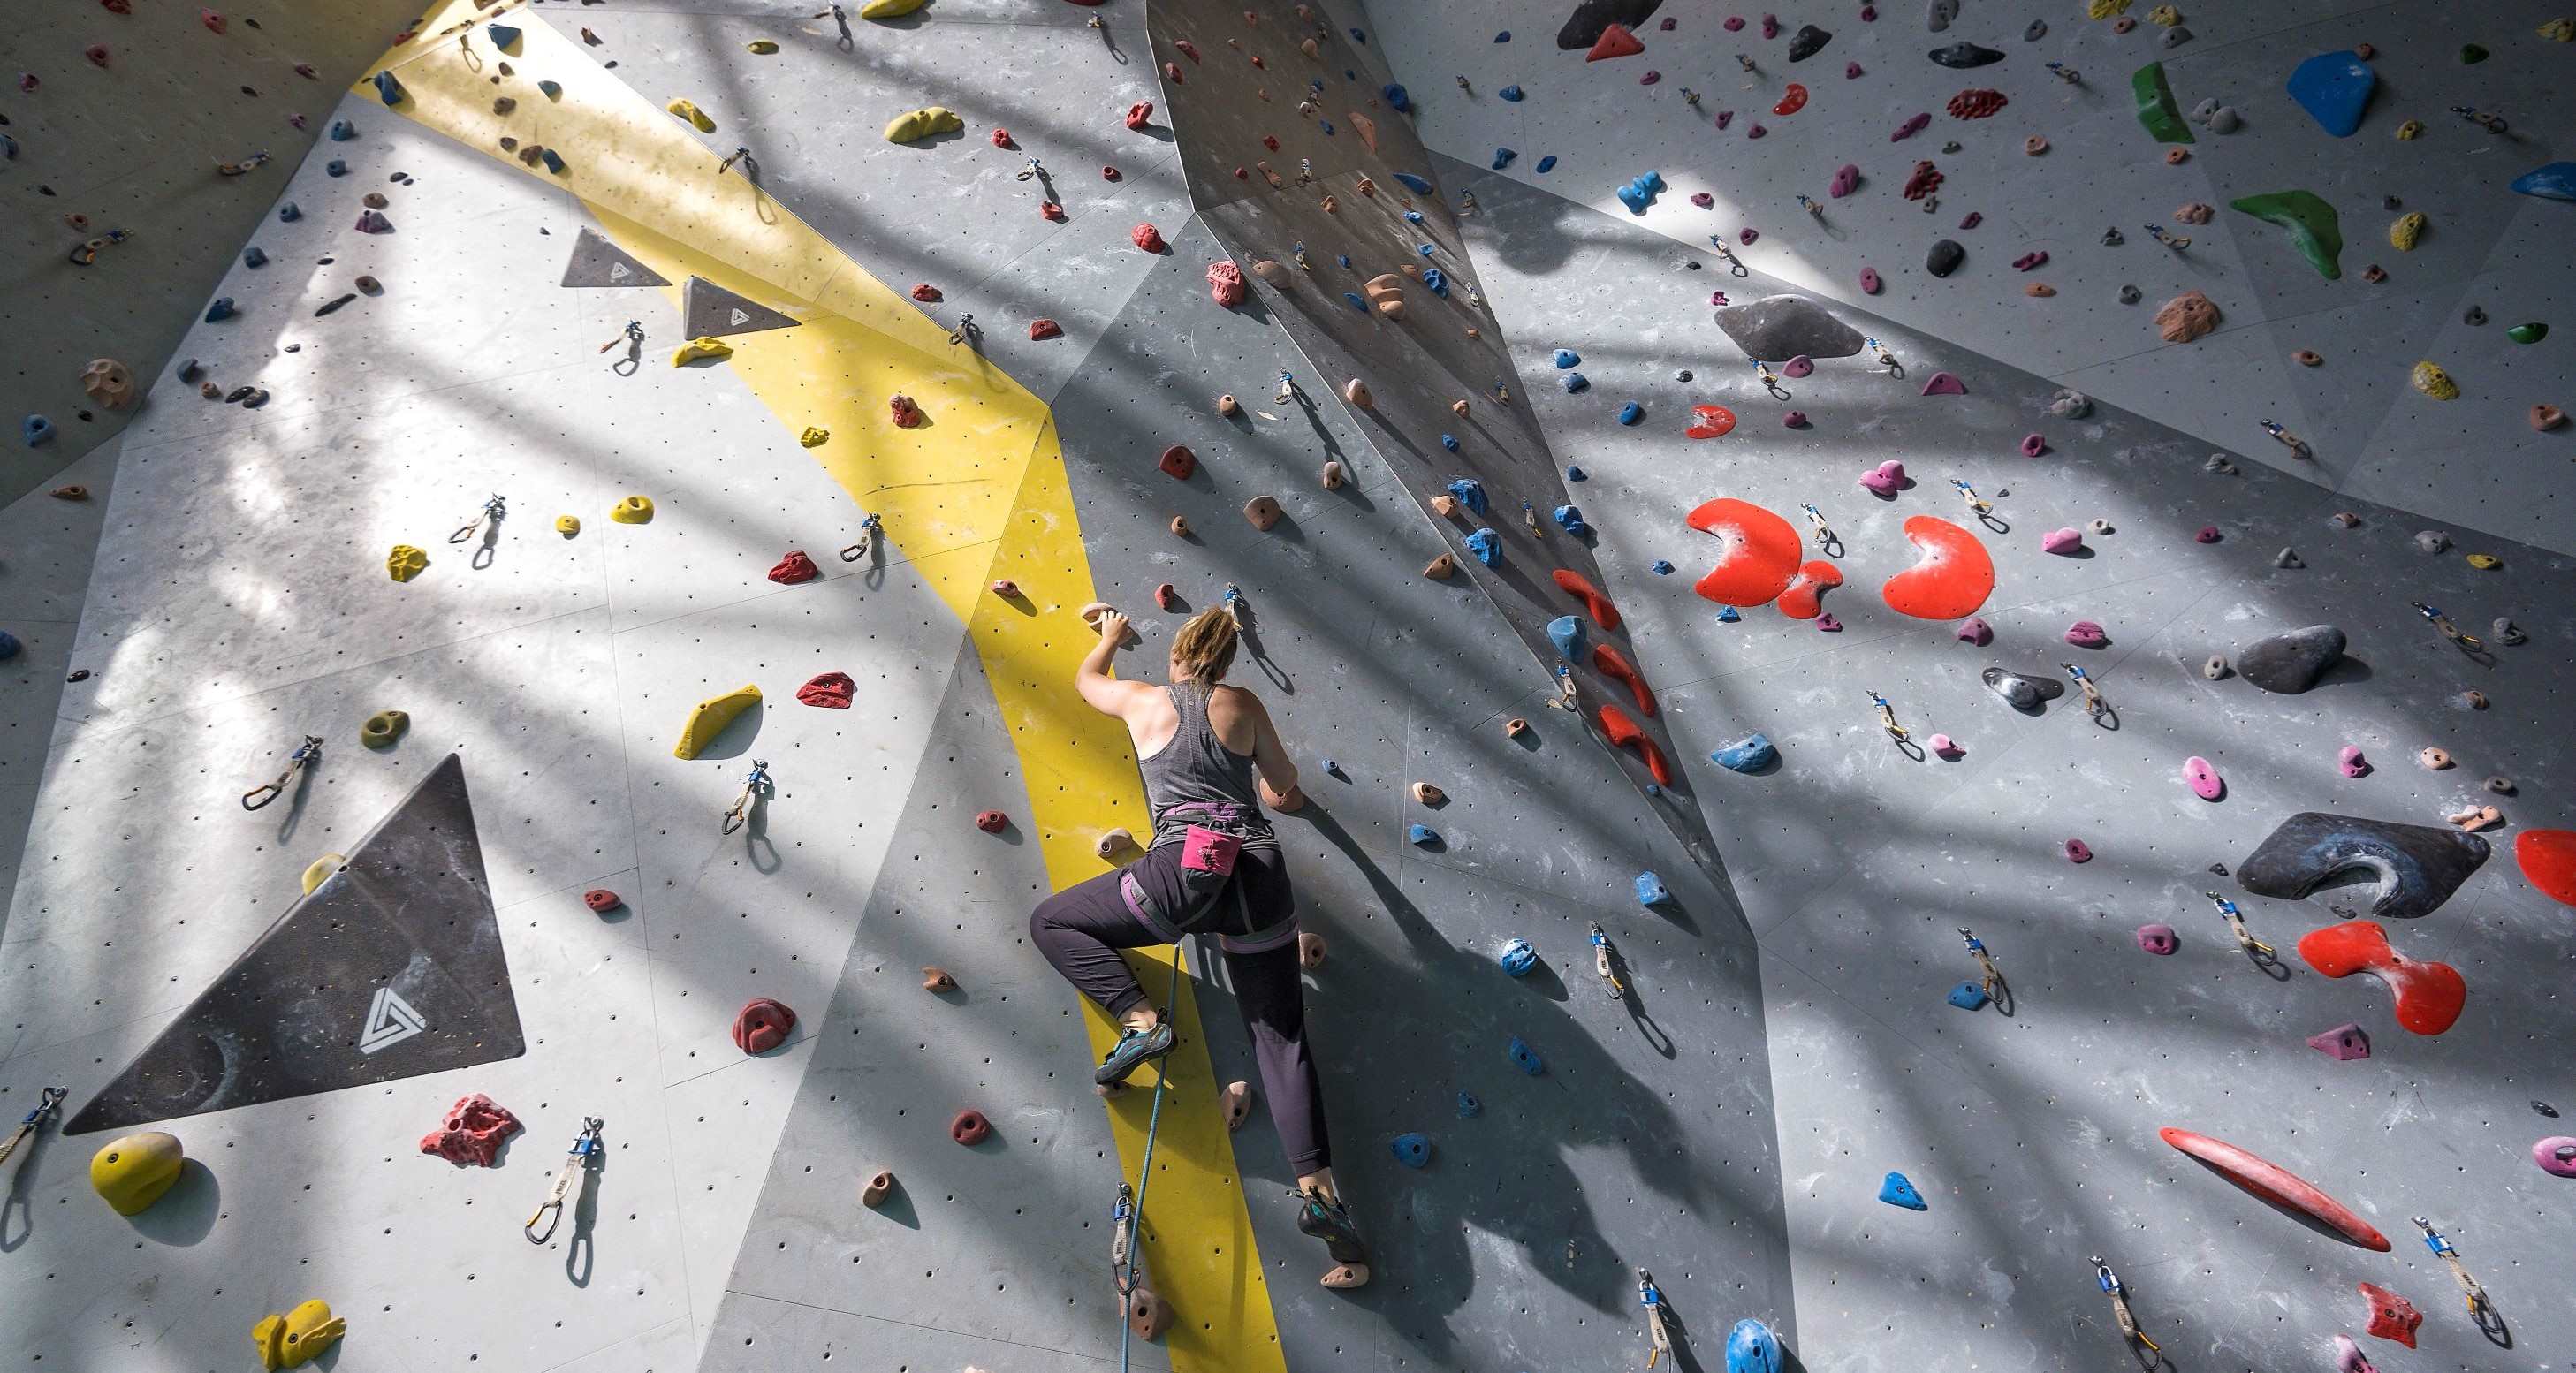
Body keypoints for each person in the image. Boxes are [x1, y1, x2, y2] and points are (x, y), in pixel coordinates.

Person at [1028, 605, 1369, 1288]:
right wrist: (1277, 789)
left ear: (1176, 655)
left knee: (1052, 922)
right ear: (1226, 662)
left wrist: (1110, 638)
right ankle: (1320, 1196)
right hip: (1258, 876)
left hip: (1181, 873)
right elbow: (1281, 785)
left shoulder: (1142, 698)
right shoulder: (1243, 705)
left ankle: (1140, 1022)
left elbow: (1087, 680)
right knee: (1279, 1038)